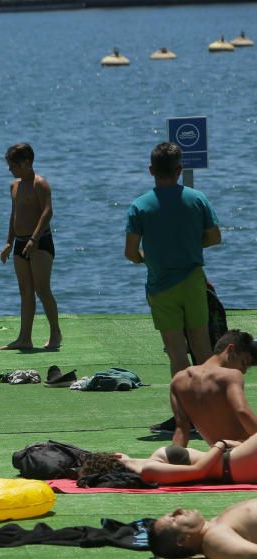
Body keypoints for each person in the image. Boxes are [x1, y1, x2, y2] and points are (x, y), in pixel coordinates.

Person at [125, 142, 221, 432]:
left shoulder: (140, 206)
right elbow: (214, 237)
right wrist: (189, 247)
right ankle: (211, 413)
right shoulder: (197, 199)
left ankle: (183, 417)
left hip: (161, 285)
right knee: (202, 349)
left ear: (151, 170)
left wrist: (150, 258)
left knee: (177, 352)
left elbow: (131, 253)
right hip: (193, 280)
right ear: (179, 170)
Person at [0, 143, 61, 350]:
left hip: (40, 241)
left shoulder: (39, 184)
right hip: (20, 241)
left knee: (42, 289)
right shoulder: (14, 185)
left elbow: (47, 212)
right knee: (25, 291)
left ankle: (55, 334)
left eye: (14, 165)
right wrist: (9, 241)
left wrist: (34, 239)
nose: (10, 170)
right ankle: (24, 338)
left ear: (27, 162)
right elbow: (13, 215)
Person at [163, 330, 257, 449]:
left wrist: (175, 459)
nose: (243, 371)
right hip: (245, 453)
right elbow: (242, 411)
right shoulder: (231, 375)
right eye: (244, 363)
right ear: (230, 349)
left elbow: (182, 429)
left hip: (219, 456)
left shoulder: (179, 380)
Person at [118, 430, 257, 486]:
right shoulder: (149, 470)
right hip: (233, 465)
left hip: (234, 462)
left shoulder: (148, 466)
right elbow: (198, 471)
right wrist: (221, 444)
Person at [148, 499, 257, 559]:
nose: (178, 510)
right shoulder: (214, 540)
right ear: (182, 539)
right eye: (174, 519)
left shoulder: (216, 524)